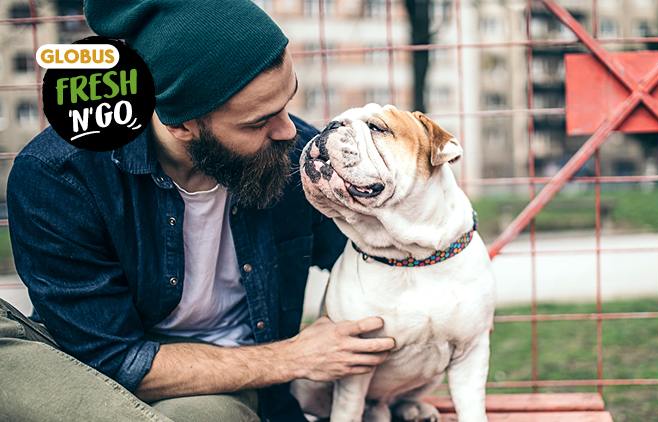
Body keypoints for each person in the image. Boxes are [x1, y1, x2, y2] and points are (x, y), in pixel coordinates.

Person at [0, 1, 395, 421]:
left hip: (226, 389)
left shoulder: (298, 157)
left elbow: (384, 256)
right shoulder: (60, 178)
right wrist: (293, 358)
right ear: (179, 124)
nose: (289, 131)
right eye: (258, 122)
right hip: (97, 378)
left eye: (287, 102)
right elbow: (112, 359)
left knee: (209, 416)